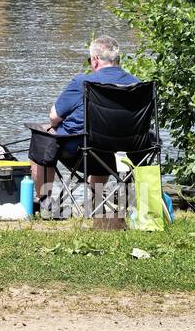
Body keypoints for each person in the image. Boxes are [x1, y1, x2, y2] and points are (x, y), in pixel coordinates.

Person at [30, 35, 140, 206]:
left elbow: (53, 117)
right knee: (105, 138)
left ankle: (45, 202)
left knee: (42, 138)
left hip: (83, 154)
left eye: (90, 60)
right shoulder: (137, 85)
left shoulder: (83, 82)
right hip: (126, 155)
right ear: (117, 60)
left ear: (95, 60)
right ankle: (96, 202)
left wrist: (54, 127)